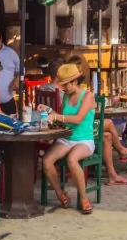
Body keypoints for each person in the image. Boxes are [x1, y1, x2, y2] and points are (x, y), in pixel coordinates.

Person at [40, 63, 97, 214]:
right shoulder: (66, 95)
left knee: (72, 159)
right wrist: (48, 110)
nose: (63, 88)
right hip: (67, 138)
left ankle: (84, 198)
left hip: (84, 139)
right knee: (46, 160)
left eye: (65, 85)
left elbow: (77, 119)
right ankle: (60, 193)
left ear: (74, 81)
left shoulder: (88, 96)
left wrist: (57, 116)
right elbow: (63, 117)